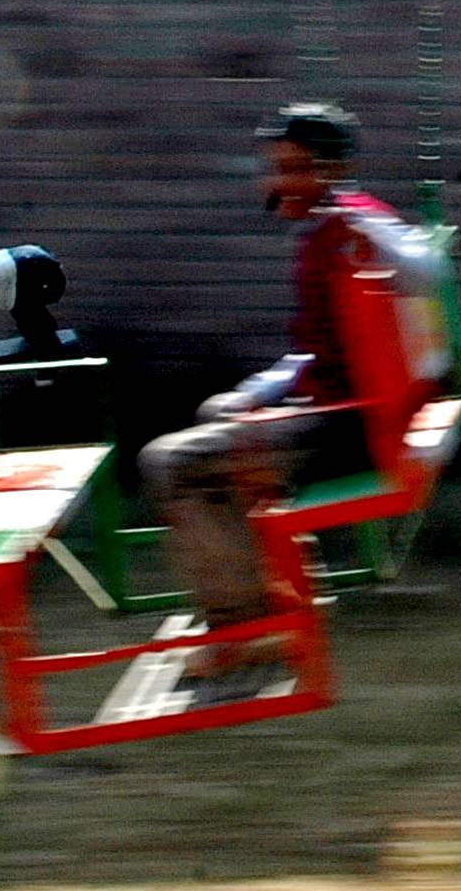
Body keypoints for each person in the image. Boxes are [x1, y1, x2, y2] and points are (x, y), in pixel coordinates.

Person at [139, 101, 443, 672]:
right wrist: (256, 394)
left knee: (167, 464)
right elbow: (317, 348)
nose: (279, 183)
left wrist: (358, 217)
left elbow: (426, 270)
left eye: (297, 168)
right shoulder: (324, 235)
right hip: (340, 405)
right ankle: (274, 583)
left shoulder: (353, 225)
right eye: (275, 168)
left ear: (333, 171)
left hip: (353, 424)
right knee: (214, 417)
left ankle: (246, 629)